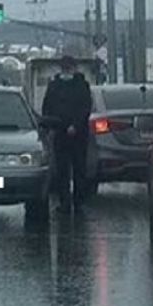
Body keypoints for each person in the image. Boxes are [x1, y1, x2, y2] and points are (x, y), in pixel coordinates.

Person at [42, 55, 93, 213]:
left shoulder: (82, 85)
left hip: (79, 134)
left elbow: (86, 108)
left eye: (68, 68)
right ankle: (64, 202)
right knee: (62, 170)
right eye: (64, 68)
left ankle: (79, 202)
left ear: (74, 68)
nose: (66, 71)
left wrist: (75, 125)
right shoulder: (54, 85)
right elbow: (47, 106)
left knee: (79, 169)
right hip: (60, 132)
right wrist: (50, 125)